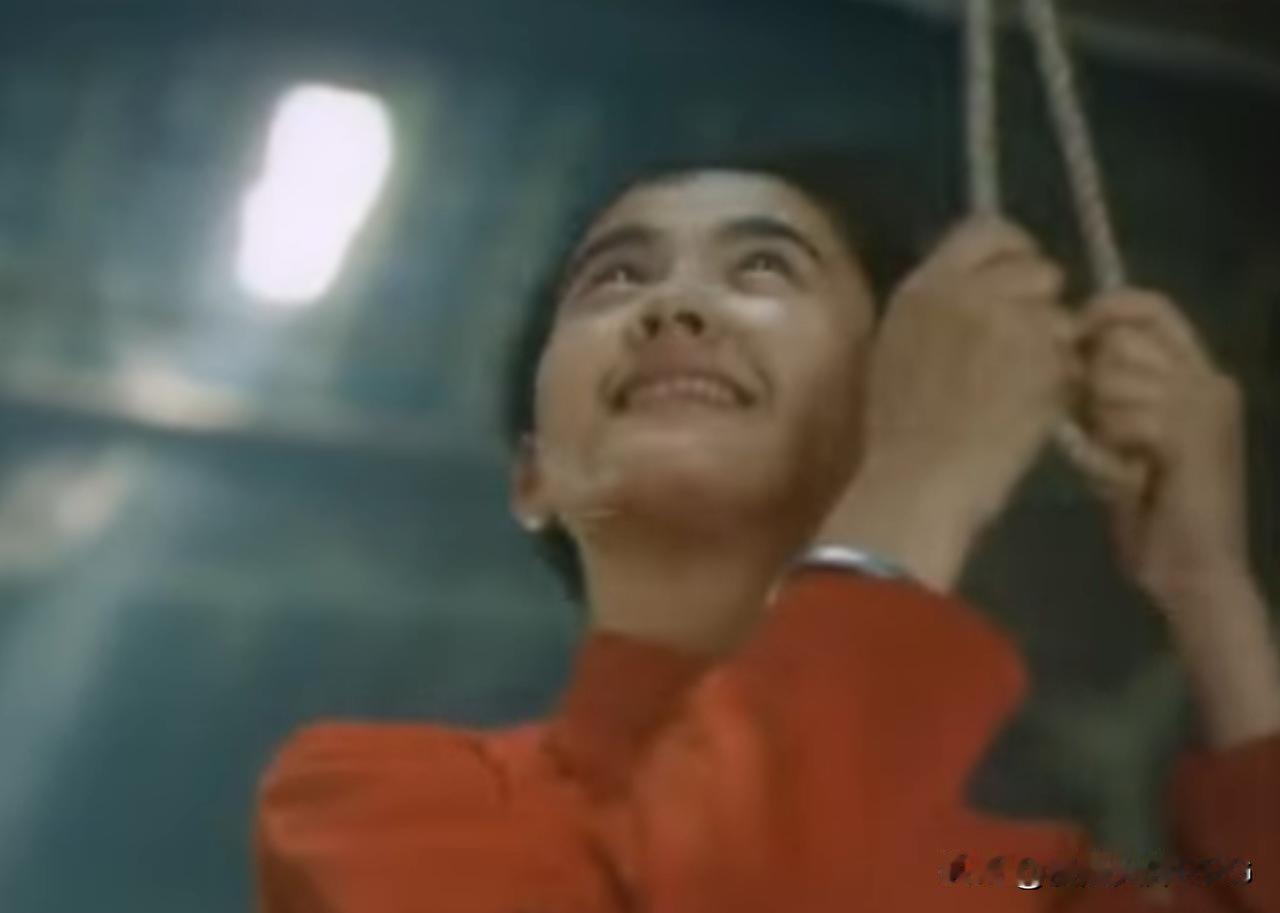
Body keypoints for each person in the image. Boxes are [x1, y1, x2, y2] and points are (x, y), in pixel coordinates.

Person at [253, 152, 1280, 912]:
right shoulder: (370, 800)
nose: (673, 307)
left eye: (763, 270)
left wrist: (1209, 588)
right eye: (614, 279)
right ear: (534, 477)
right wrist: (918, 479)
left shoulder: (1020, 880)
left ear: (899, 392)